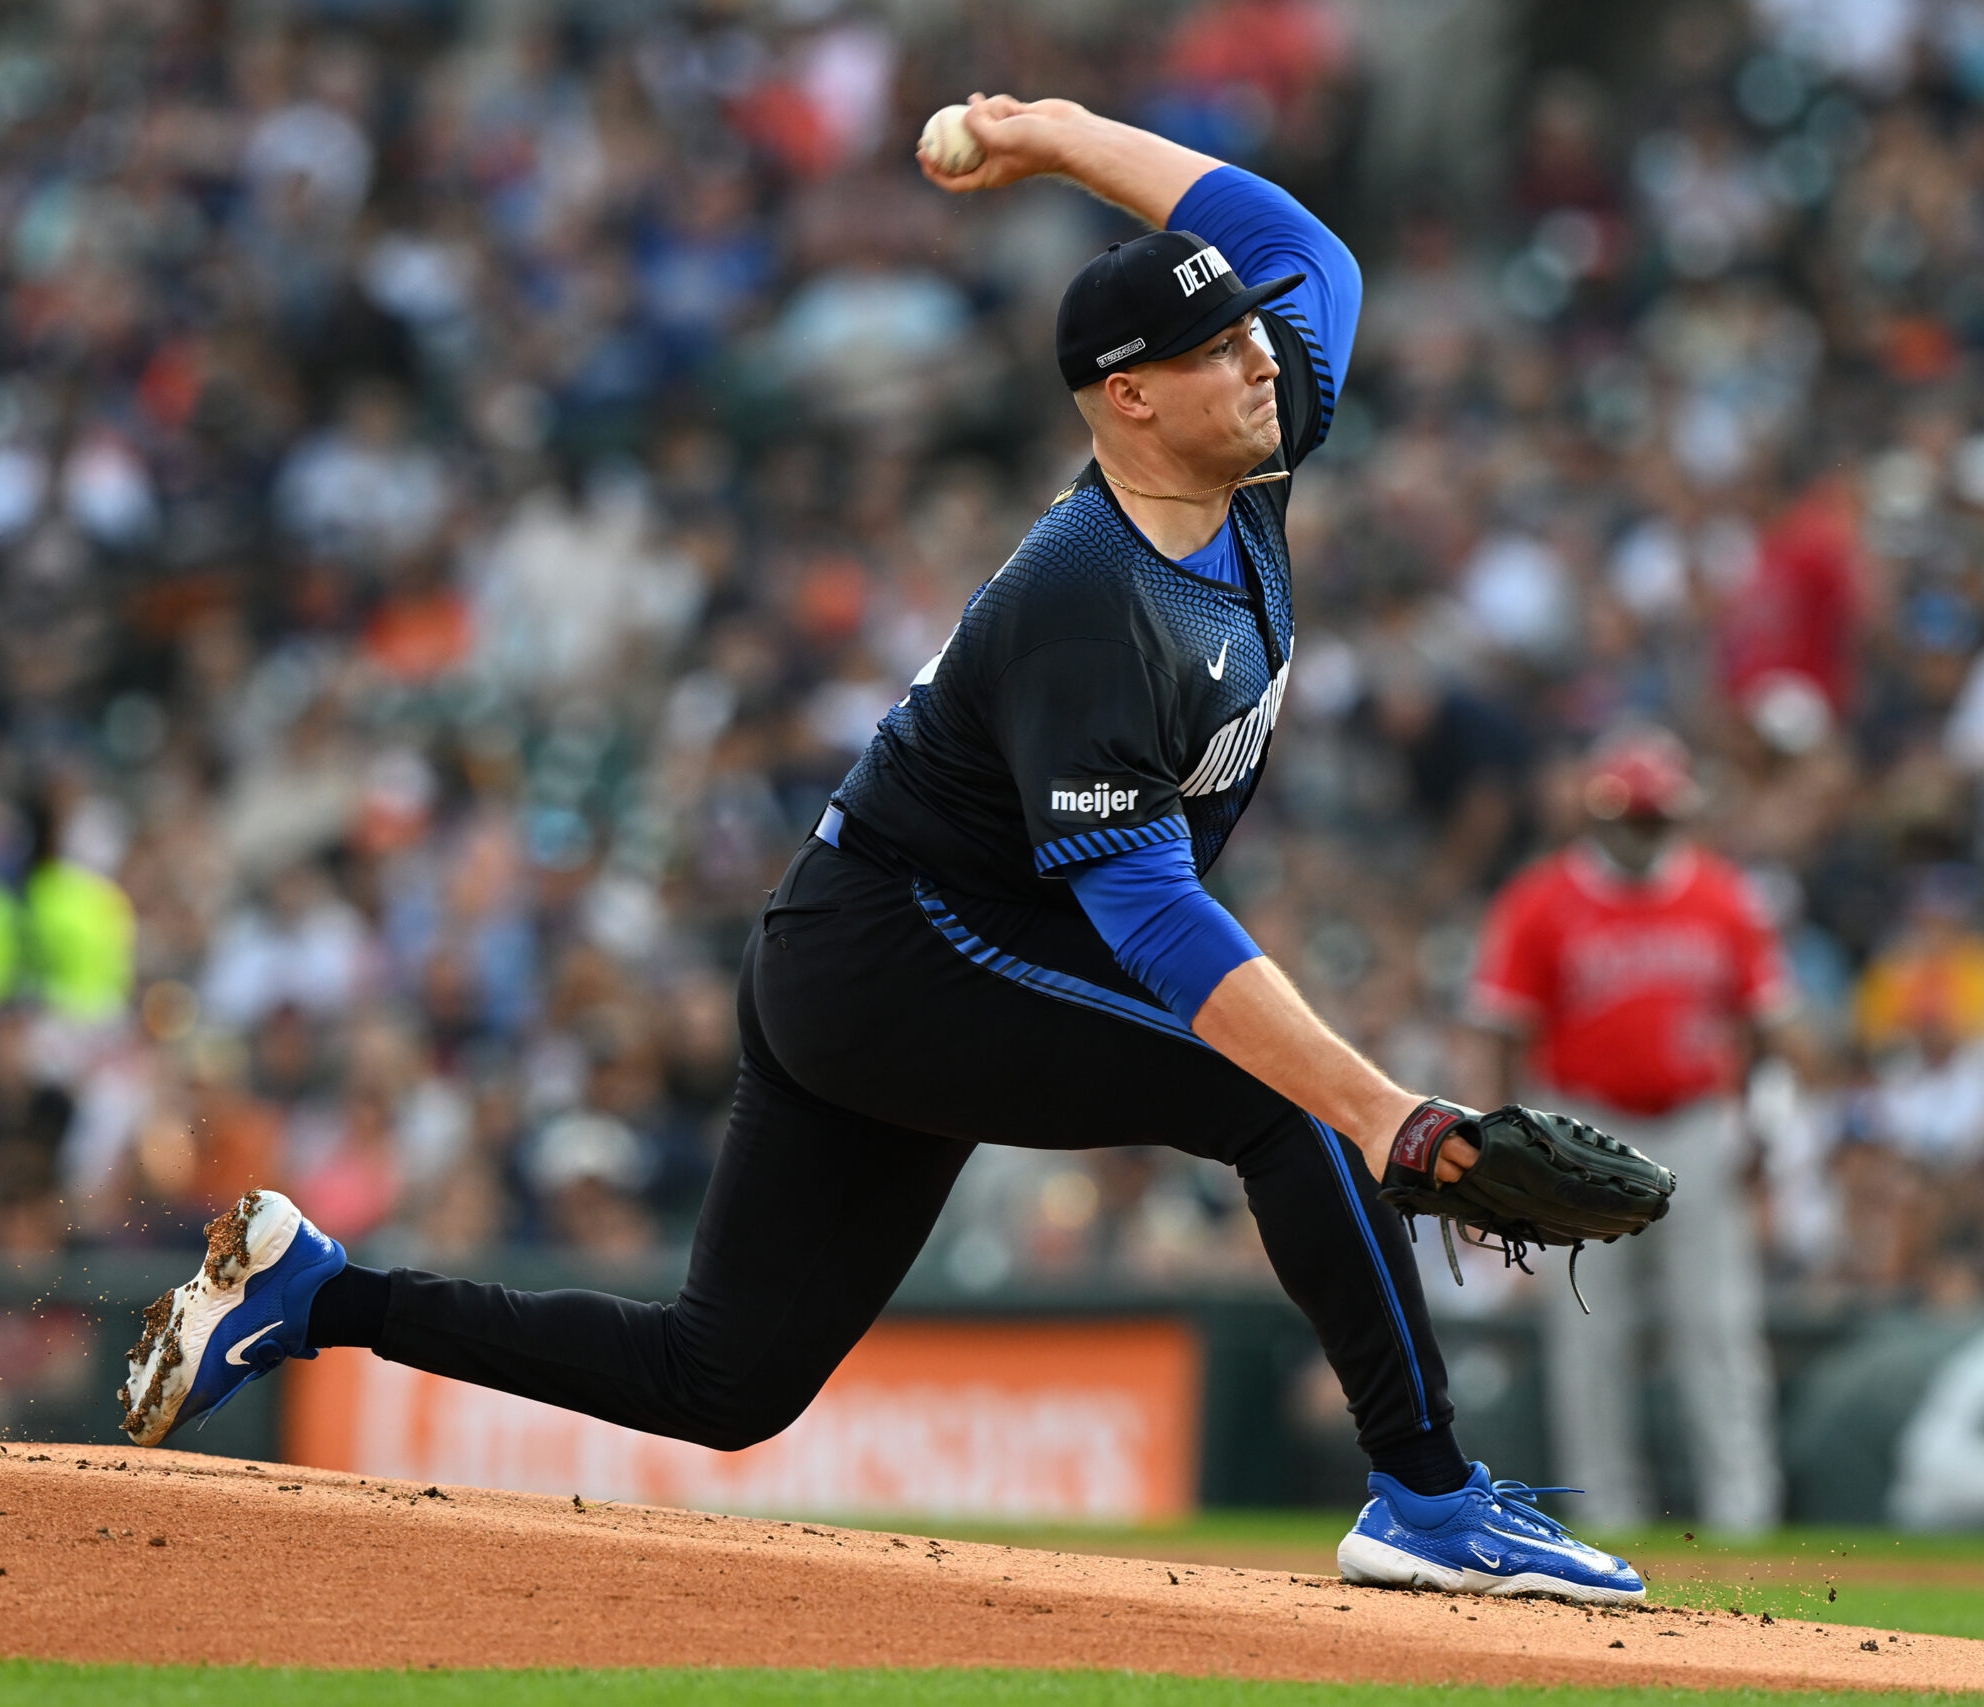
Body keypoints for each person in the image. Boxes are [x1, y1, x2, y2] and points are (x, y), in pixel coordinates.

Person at [116, 96, 1647, 1604]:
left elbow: (1297, 240)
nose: (1264, 353)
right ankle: (1431, 1498)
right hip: (900, 956)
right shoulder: (1090, 599)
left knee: (724, 1376)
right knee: (1286, 1098)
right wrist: (1388, 1115)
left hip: (880, 944)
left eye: (1252, 333)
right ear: (1126, 399)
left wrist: (1048, 132)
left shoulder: (1248, 436)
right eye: (1217, 347)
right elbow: (1151, 916)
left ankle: (320, 1292)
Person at [1467, 729, 1789, 1534]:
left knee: (1714, 1325)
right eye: (1628, 815)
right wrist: (1505, 1151)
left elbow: (1764, 1030)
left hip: (1692, 1122)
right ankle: (1605, 1509)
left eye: (1654, 816)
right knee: (1590, 1328)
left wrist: (1761, 1130)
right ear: (1598, 815)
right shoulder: (1542, 900)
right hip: (1584, 1129)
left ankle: (1742, 1508)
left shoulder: (1723, 896)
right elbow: (1504, 1033)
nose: (1641, 830)